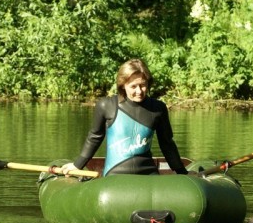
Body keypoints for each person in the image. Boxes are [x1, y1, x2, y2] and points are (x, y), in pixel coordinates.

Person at [61, 58, 189, 177]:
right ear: (123, 85)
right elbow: (95, 137)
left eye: (143, 85)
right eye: (133, 86)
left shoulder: (158, 108)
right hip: (115, 175)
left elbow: (167, 144)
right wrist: (77, 165)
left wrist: (182, 173)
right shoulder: (106, 105)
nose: (139, 91)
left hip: (149, 176)